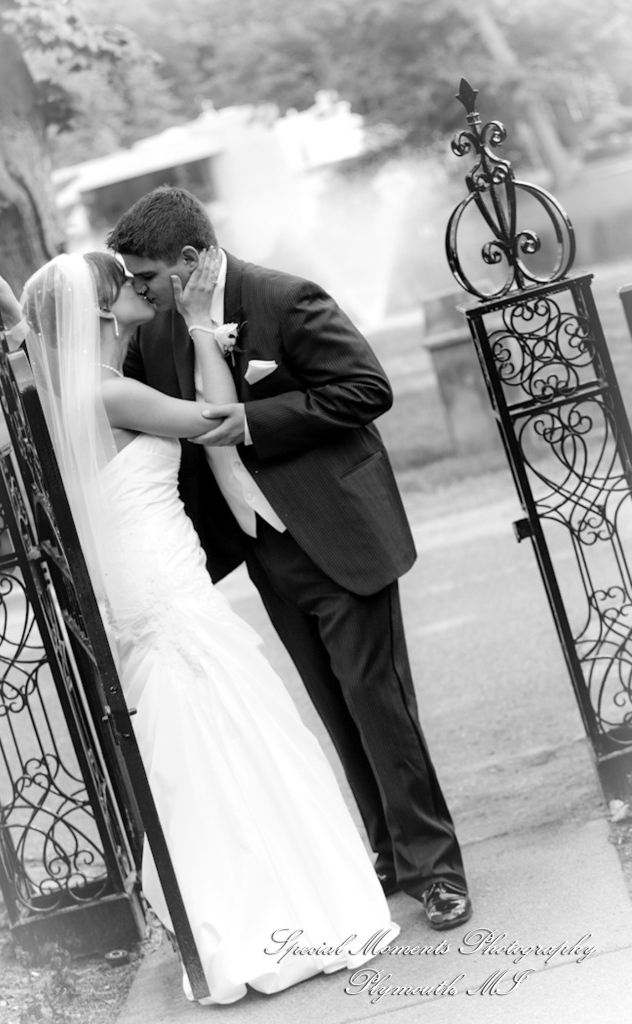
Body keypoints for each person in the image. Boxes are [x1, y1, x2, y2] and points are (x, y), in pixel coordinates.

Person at [0, 250, 400, 1005]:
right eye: (127, 286)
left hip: (145, 584)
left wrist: (12, 319)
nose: (142, 291)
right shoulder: (112, 393)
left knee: (201, 734)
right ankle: (281, 913)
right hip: (166, 588)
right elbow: (215, 424)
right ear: (102, 311)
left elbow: (47, 359)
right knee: (227, 724)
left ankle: (241, 918)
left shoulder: (73, 390)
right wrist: (202, 332)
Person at [106, 186, 472, 931]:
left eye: (145, 276)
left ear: (187, 258)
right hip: (261, 546)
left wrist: (251, 420)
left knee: (377, 701)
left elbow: (366, 389)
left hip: (337, 530)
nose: (136, 290)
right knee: (334, 707)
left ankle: (435, 869)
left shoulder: (282, 296)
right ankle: (387, 852)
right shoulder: (158, 337)